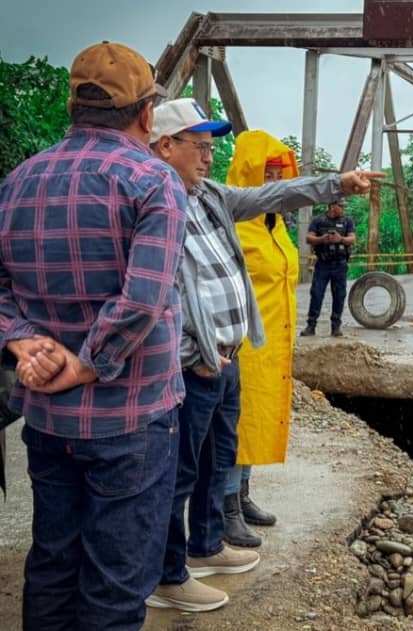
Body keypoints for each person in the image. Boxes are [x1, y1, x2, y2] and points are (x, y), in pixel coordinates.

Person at [146, 98, 384, 612]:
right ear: (165, 146)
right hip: (195, 361)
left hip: (226, 356)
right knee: (180, 469)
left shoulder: (208, 195)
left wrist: (338, 184)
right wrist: (197, 351)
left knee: (217, 457)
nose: (209, 157)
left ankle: (205, 545)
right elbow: (159, 289)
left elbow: (274, 194)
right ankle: (167, 575)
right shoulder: (154, 200)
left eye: (213, 148)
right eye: (199, 147)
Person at [0, 42, 186, 630]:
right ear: (146, 113)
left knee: (53, 561)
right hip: (129, 415)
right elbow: (143, 299)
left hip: (47, 417)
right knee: (116, 581)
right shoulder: (153, 180)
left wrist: (23, 343)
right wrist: (87, 363)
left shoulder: (19, 180)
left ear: (73, 105)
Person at [221, 131, 302, 549]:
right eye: (267, 173)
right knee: (238, 425)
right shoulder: (234, 222)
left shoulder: (274, 225)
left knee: (256, 422)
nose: (275, 183)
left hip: (272, 342)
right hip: (243, 344)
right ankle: (225, 508)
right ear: (249, 173)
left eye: (280, 174)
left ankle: (243, 495)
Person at [301, 200, 356, 337]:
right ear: (332, 206)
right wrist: (322, 239)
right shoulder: (318, 220)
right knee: (316, 294)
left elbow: (352, 239)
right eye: (341, 206)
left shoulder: (347, 221)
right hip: (323, 264)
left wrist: (340, 239)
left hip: (340, 264)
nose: (343, 208)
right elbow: (308, 238)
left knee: (339, 296)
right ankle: (311, 326)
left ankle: (336, 327)